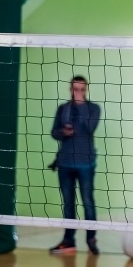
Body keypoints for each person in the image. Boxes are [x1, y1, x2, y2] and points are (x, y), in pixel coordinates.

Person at [49, 75, 101, 255]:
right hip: (64, 163)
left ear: (85, 91)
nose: (78, 92)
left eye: (81, 89)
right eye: (75, 89)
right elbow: (54, 133)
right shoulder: (63, 109)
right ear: (70, 89)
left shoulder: (93, 108)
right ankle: (68, 240)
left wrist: (81, 105)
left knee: (88, 202)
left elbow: (90, 127)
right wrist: (63, 131)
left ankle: (91, 240)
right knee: (68, 203)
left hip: (85, 163)